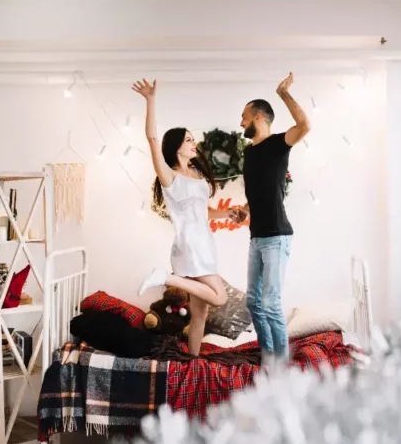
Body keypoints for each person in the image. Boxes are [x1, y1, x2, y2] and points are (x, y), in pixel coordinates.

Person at [131, 78, 231, 357]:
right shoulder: (170, 176)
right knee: (220, 296)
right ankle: (165, 277)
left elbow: (205, 212)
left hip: (204, 243)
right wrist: (150, 100)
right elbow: (151, 139)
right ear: (176, 147)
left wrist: (228, 212)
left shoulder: (196, 176)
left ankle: (192, 362)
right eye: (188, 139)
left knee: (200, 313)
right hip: (192, 245)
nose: (193, 142)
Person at [229, 72, 310, 368]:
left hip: (277, 236)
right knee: (253, 302)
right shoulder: (249, 154)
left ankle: (281, 365)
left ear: (259, 117)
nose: (241, 123)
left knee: (271, 303)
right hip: (256, 237)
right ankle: (268, 355)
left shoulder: (279, 144)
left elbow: (305, 125)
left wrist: (284, 94)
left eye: (244, 117)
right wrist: (245, 211)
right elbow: (260, 193)